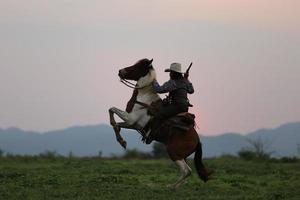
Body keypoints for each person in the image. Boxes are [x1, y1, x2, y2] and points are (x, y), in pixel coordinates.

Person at [144, 62, 194, 141]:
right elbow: (191, 91)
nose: (170, 74)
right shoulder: (185, 81)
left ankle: (151, 135)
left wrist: (153, 80)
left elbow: (159, 90)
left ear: (173, 73)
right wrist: (187, 79)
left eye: (170, 72)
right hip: (185, 108)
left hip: (176, 106)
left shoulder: (173, 82)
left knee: (159, 114)